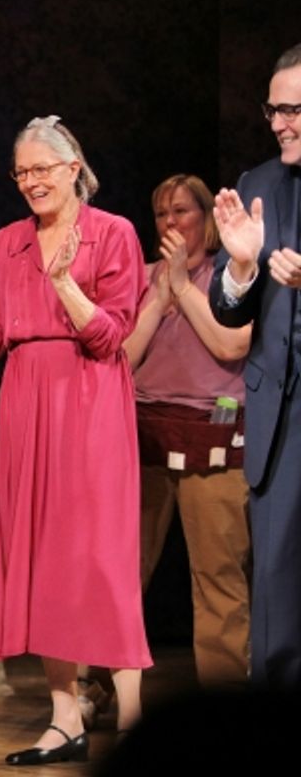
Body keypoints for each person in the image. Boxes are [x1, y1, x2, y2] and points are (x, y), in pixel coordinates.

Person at [0, 116, 151, 765]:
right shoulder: (5, 242)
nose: (31, 182)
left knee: (100, 558)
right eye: (21, 173)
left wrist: (63, 284)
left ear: (73, 168)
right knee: (45, 559)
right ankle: (64, 719)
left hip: (89, 400)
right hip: (26, 401)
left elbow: (111, 336)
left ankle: (132, 716)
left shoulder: (113, 234)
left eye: (42, 170)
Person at [124, 175, 252, 687]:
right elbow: (123, 358)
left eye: (182, 211)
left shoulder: (234, 274)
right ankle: (93, 688)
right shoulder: (144, 276)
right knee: (122, 571)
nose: (171, 222)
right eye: (161, 213)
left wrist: (182, 286)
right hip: (143, 433)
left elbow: (230, 346)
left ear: (208, 218)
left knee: (218, 575)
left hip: (214, 436)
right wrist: (159, 296)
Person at [209, 42, 301, 689]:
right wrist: (240, 269)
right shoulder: (256, 185)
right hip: (281, 426)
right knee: (276, 597)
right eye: (273, 109)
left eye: (294, 109)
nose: (279, 123)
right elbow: (227, 308)